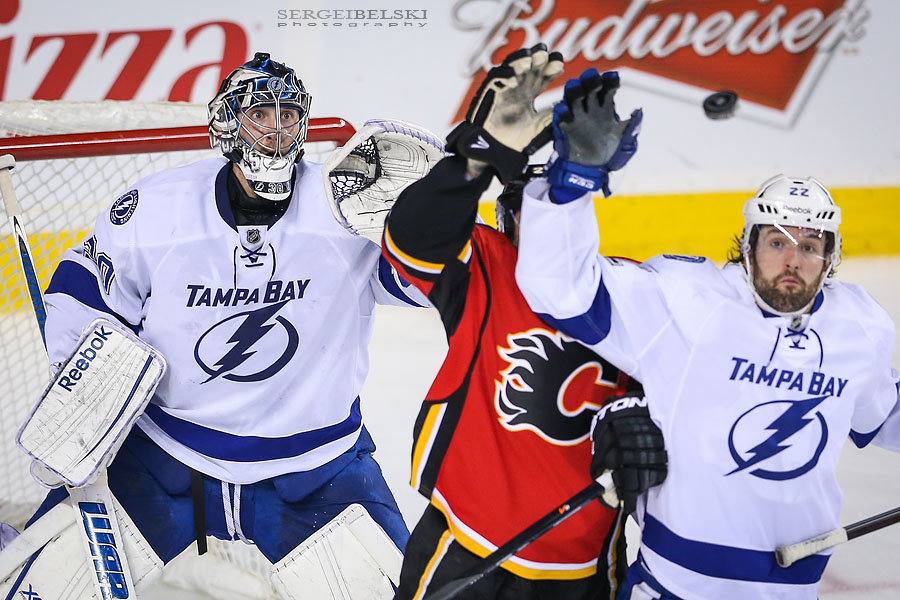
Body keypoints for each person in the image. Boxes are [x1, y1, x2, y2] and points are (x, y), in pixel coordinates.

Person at [1, 52, 439, 597]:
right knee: (32, 590)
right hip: (164, 456)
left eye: (288, 115)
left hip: (318, 466)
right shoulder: (155, 209)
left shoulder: (344, 209)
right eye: (260, 114)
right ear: (228, 123)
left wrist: (425, 228)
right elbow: (84, 292)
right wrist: (82, 399)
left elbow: (423, 286)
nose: (277, 130)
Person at [514, 68, 900, 599]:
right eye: (777, 242)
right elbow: (561, 289)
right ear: (748, 246)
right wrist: (573, 183)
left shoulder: (858, 327)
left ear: (830, 259)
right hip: (674, 586)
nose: (793, 260)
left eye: (811, 246)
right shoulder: (687, 302)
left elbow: (883, 413)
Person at [382, 46, 666, 600]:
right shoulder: (484, 264)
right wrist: (474, 161)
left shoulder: (629, 287)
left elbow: (699, 381)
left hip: (585, 555)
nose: (534, 221)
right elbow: (412, 237)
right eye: (523, 205)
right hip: (466, 540)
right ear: (506, 213)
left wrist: (647, 422)